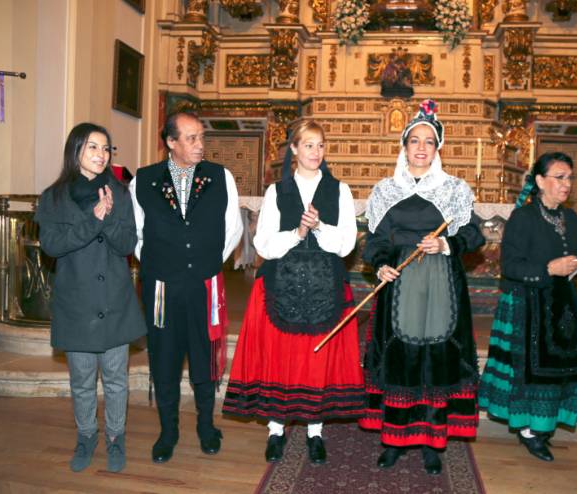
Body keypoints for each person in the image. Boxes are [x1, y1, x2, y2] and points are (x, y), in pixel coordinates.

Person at [223, 120, 364, 465]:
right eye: (309, 145)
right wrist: (298, 234)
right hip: (280, 286)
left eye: (321, 145)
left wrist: (320, 227)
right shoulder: (277, 191)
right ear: (295, 149)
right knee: (279, 358)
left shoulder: (339, 190)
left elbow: (346, 245)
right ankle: (276, 430)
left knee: (317, 361)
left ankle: (315, 433)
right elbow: (263, 244)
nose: (316, 152)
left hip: (325, 286)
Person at [360, 100, 484, 475]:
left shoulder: (454, 190)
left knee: (436, 360)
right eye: (415, 140)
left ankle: (432, 442)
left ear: (437, 148)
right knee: (401, 359)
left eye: (429, 141)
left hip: (442, 285)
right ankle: (395, 441)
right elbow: (375, 241)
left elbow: (475, 234)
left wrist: (446, 243)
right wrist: (380, 265)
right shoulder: (385, 190)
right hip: (400, 285)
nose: (421, 147)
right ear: (404, 145)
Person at [479, 152, 577, 462]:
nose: (567, 184)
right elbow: (510, 266)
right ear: (540, 181)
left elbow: (574, 266)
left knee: (563, 368)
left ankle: (543, 425)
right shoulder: (523, 217)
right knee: (530, 372)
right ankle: (530, 430)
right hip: (526, 304)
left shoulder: (572, 219)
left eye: (569, 178)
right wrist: (548, 269)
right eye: (560, 177)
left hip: (561, 306)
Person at [129, 112, 243, 463]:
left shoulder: (220, 177)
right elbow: (136, 234)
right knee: (164, 357)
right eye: (191, 138)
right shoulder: (143, 180)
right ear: (171, 142)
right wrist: (160, 264)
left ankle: (206, 427)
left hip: (204, 285)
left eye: (201, 137)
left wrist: (206, 263)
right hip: (161, 287)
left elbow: (233, 229)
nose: (200, 144)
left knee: (205, 358)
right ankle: (168, 432)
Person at [35, 123, 146, 473]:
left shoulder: (120, 193)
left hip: (114, 301)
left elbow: (127, 244)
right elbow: (52, 246)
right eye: (93, 147)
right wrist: (92, 219)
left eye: (106, 148)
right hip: (77, 303)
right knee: (82, 381)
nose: (101, 154)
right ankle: (86, 437)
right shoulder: (54, 197)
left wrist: (107, 219)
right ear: (76, 151)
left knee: (115, 379)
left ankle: (115, 437)